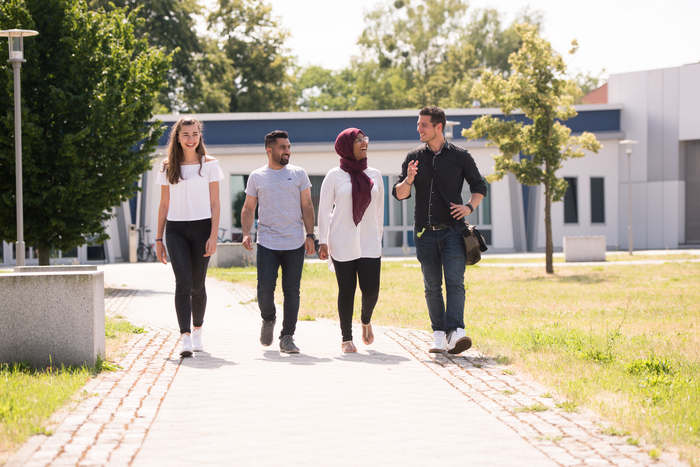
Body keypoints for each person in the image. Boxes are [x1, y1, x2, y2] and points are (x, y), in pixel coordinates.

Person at [392, 106, 487, 354]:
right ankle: (438, 335)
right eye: (418, 124)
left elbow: (479, 186)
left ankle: (456, 332)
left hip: (454, 231)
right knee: (432, 286)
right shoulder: (414, 157)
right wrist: (409, 179)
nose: (419, 128)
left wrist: (469, 207)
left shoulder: (460, 156)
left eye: (424, 124)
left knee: (455, 282)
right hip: (424, 233)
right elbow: (400, 194)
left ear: (438, 127)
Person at [241, 130, 316, 354]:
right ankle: (268, 319)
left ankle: (287, 337)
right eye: (283, 147)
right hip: (267, 242)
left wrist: (310, 235)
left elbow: (307, 207)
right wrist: (246, 233)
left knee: (292, 291)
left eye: (289, 147)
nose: (287, 151)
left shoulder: (299, 173)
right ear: (269, 150)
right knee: (264, 289)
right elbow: (248, 208)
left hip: (294, 241)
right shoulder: (257, 176)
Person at [155, 117, 224, 358]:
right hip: (175, 230)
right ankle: (184, 337)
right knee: (182, 281)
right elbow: (164, 205)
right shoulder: (167, 166)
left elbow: (215, 203)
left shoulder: (210, 165)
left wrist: (214, 235)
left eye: (195, 134)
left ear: (199, 136)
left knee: (197, 285)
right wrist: (158, 240)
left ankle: (197, 331)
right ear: (177, 137)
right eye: (185, 134)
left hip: (202, 229)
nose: (191, 139)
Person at [318, 128, 384, 353]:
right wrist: (322, 240)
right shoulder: (334, 175)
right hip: (342, 239)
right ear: (346, 146)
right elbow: (325, 209)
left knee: (371, 290)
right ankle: (346, 338)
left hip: (369, 240)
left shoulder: (374, 174)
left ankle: (366, 320)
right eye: (357, 140)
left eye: (364, 138)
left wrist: (379, 237)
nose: (364, 142)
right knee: (346, 290)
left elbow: (379, 210)